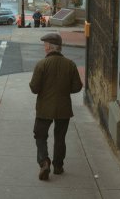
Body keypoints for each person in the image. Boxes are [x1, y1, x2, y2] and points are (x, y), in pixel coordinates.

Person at [29, 33, 83, 181]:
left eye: (44, 44)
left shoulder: (41, 64)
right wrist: (64, 90)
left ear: (48, 47)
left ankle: (44, 162)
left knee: (40, 136)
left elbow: (34, 88)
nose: (44, 47)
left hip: (44, 109)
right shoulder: (70, 64)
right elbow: (77, 87)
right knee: (60, 137)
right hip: (64, 108)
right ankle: (58, 166)